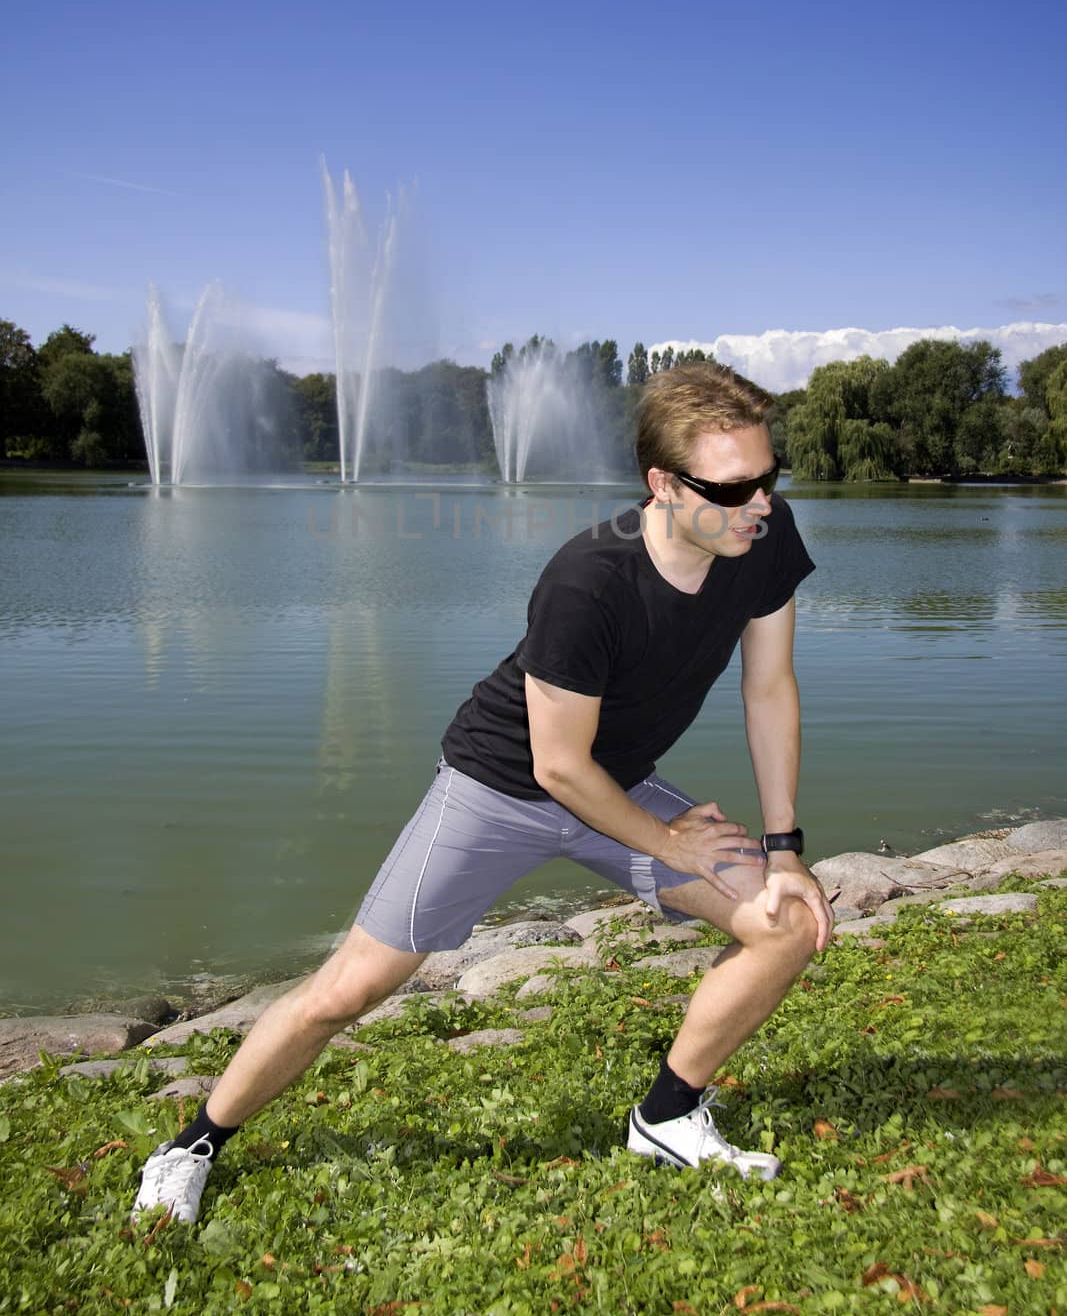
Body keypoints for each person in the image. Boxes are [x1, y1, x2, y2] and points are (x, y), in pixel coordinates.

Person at [133, 362, 832, 1224]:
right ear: (663, 484)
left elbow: (768, 688)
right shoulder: (588, 581)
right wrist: (668, 842)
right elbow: (557, 768)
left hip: (616, 787)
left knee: (787, 923)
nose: (760, 503)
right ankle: (191, 1145)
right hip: (499, 787)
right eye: (735, 489)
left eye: (770, 478)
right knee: (346, 991)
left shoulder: (759, 536)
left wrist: (782, 846)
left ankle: (667, 1115)